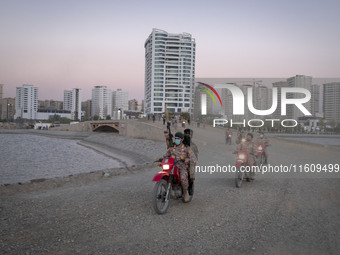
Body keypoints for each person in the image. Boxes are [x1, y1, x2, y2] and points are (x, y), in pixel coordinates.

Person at [161, 132, 197, 202]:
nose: (176, 140)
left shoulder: (187, 149)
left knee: (183, 178)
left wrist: (188, 159)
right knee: (163, 177)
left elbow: (193, 158)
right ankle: (168, 190)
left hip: (182, 167)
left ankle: (185, 193)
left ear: (182, 139)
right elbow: (165, 156)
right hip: (172, 167)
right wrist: (160, 159)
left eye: (178, 139)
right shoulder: (171, 148)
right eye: (175, 138)